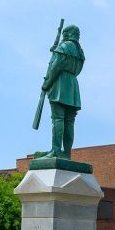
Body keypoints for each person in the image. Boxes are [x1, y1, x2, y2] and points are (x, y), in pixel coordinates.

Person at [38, 24, 84, 159]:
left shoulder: (64, 47)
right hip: (73, 84)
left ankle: (56, 151)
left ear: (68, 34)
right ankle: (67, 153)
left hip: (60, 84)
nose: (63, 37)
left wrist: (47, 83)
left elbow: (56, 67)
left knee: (58, 118)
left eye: (65, 34)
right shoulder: (80, 52)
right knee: (69, 121)